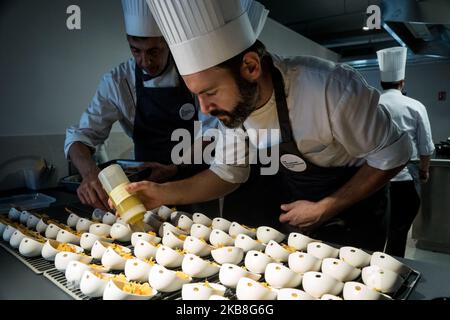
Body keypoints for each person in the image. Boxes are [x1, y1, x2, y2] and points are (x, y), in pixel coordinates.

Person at [126, 0, 413, 251]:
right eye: (197, 95)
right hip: (302, 212)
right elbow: (228, 174)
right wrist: (160, 193)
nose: (204, 109)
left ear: (250, 67)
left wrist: (327, 207)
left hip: (357, 214)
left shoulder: (329, 89)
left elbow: (393, 154)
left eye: (210, 92)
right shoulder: (235, 110)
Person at [64, 0, 215, 211]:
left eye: (154, 51)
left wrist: (175, 167)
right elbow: (79, 136)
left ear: (168, 43)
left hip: (194, 184)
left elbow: (212, 131)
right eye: (136, 51)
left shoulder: (191, 73)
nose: (145, 61)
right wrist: (90, 174)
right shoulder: (118, 81)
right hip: (143, 190)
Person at [377, 47, 435, 257]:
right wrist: (424, 170)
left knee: (374, 230)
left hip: (370, 179)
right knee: (399, 232)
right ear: (402, 83)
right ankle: (392, 272)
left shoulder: (372, 102)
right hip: (404, 178)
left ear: (381, 82)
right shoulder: (415, 106)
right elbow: (426, 146)